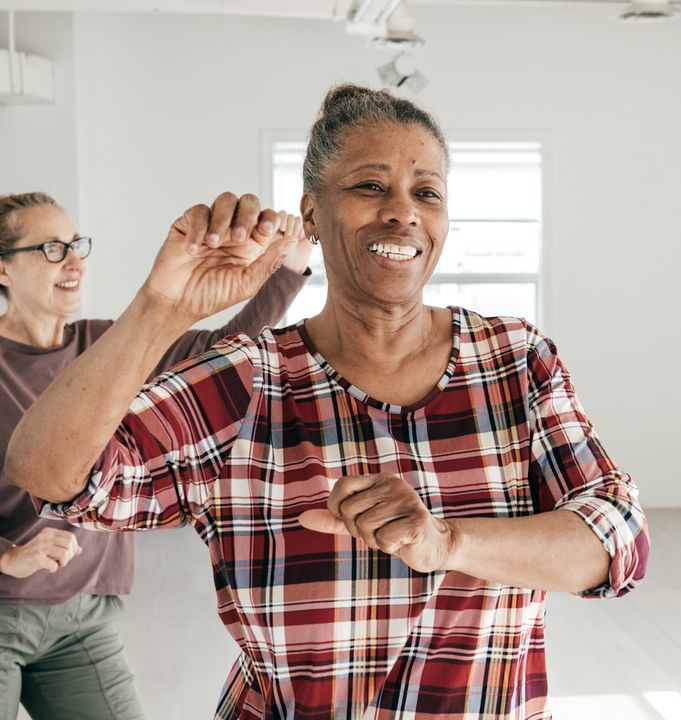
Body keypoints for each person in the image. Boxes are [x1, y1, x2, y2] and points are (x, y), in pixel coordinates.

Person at [6, 85, 648, 720]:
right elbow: (58, 480)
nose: (404, 212)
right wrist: (162, 305)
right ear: (311, 214)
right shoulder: (249, 379)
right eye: (371, 187)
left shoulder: (515, 357)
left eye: (427, 192)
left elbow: (618, 540)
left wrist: (446, 542)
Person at [0, 191, 311, 719]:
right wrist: (6, 555)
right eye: (52, 248)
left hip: (84, 615)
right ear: (4, 269)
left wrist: (291, 266)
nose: (74, 261)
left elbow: (220, 349)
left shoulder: (106, 346)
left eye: (76, 244)